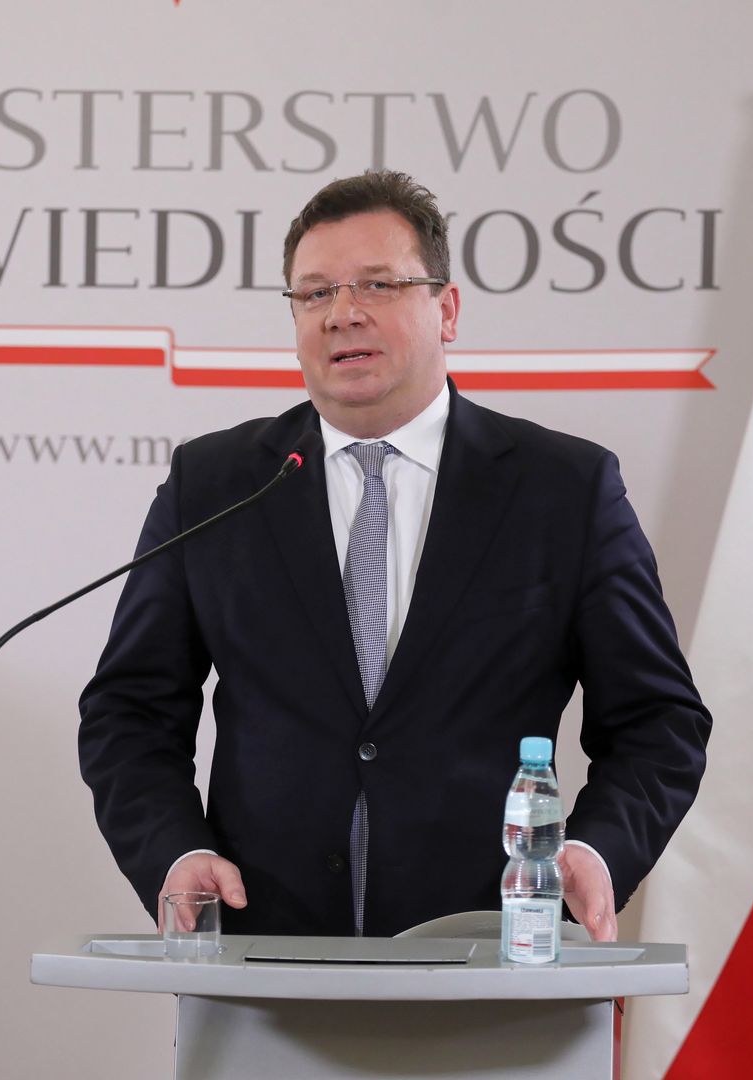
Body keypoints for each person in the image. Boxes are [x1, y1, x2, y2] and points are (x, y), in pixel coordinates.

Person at [80, 170, 710, 940]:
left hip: (494, 948)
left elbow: (657, 720)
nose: (342, 313)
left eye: (377, 285)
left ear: (447, 310)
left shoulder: (563, 490)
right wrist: (175, 853)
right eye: (315, 293)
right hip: (261, 949)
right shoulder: (215, 485)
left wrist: (594, 850)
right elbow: (128, 712)